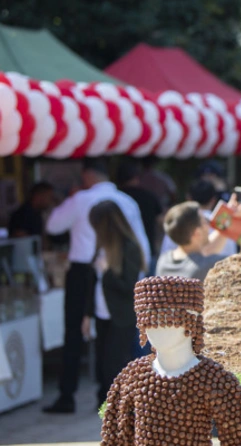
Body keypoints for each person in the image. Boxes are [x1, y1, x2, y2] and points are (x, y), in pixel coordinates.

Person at [43, 158, 150, 414]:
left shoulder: (81, 200)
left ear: (88, 175)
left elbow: (52, 225)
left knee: (90, 343)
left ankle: (75, 395)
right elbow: (142, 245)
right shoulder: (127, 202)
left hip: (92, 277)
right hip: (99, 280)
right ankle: (107, 397)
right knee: (106, 349)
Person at [100, 276, 241, 445]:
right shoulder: (132, 377)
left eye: (169, 317)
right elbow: (115, 438)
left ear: (192, 317)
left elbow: (240, 440)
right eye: (150, 317)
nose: (159, 326)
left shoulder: (215, 380)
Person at [84, 201, 145, 407]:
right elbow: (92, 284)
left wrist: (107, 271)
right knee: (102, 361)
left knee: (115, 362)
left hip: (121, 315)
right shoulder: (101, 247)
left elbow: (129, 286)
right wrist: (87, 314)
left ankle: (119, 404)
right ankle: (104, 401)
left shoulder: (129, 247)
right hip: (102, 313)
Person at [156, 192, 241, 281]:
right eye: (204, 221)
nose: (209, 224)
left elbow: (207, 250)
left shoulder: (164, 261)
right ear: (197, 233)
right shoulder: (206, 266)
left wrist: (228, 215)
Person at [158, 180, 238, 259]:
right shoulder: (225, 225)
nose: (207, 226)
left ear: (188, 198)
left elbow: (165, 253)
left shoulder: (177, 223)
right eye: (204, 222)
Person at [117, 160, 163, 260]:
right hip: (148, 249)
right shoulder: (149, 196)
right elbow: (161, 222)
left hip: (120, 253)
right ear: (137, 178)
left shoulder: (115, 198)